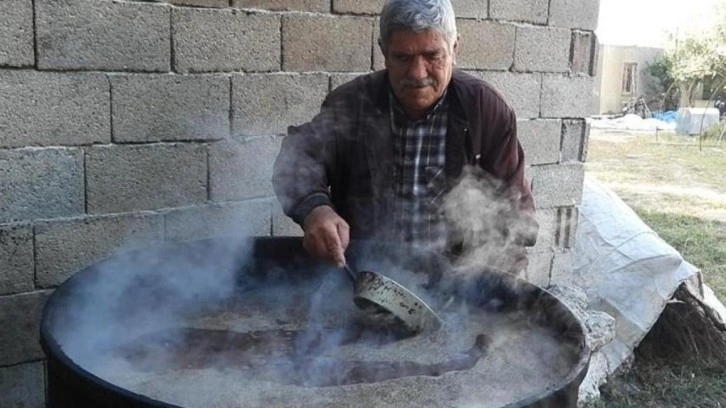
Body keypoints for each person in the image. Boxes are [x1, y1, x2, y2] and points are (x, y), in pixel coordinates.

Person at [272, 0, 537, 276]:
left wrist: (499, 289)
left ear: (455, 47)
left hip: (454, 283)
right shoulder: (352, 103)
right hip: (365, 277)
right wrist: (315, 209)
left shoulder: (484, 109)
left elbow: (513, 217)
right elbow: (297, 158)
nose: (417, 73)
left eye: (432, 55)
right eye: (402, 57)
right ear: (384, 51)